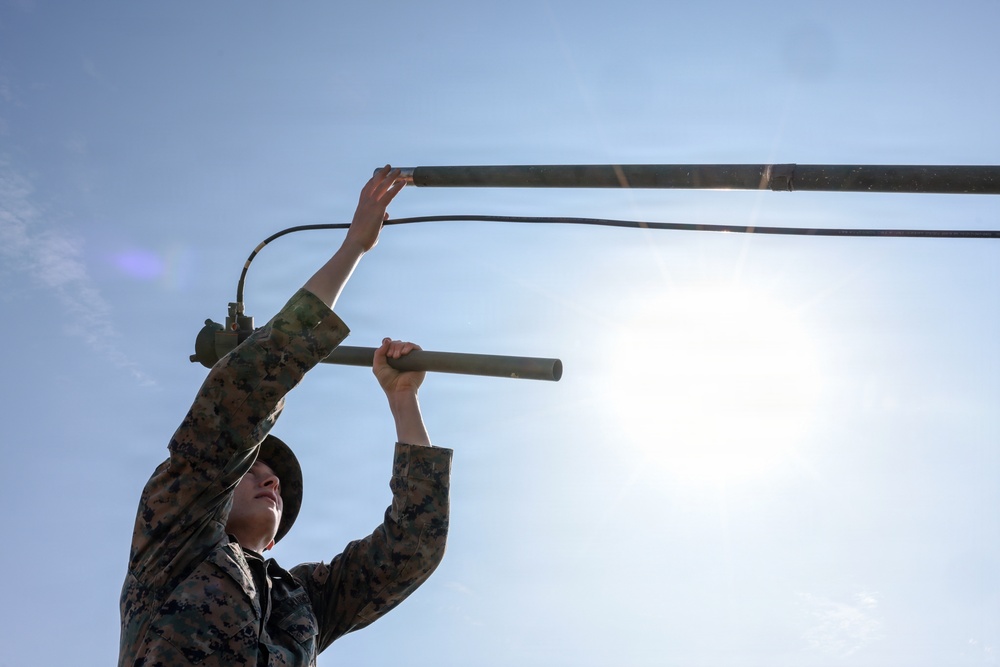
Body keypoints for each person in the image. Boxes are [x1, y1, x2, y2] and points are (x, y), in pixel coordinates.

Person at [119, 166, 452, 666]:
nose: (271, 481)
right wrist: (353, 249)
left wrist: (403, 398)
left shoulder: (305, 599)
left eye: (273, 477)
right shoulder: (174, 535)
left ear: (275, 538)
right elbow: (243, 395)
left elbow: (412, 546)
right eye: (252, 470)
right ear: (216, 489)